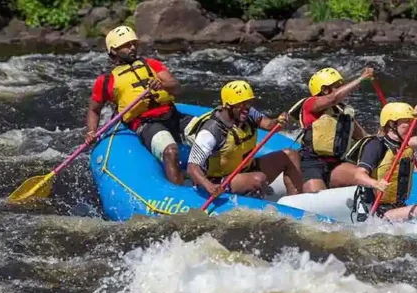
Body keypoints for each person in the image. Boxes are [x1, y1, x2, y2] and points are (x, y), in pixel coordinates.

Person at [85, 25, 191, 185]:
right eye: (127, 45)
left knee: (210, 134)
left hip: (172, 115)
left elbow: (176, 86)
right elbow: (94, 109)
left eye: (134, 43)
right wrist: (92, 131)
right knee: (170, 151)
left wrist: (162, 85)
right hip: (146, 124)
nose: (133, 47)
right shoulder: (106, 81)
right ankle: (182, 196)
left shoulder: (151, 64)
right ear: (113, 50)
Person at [185, 80, 303, 197]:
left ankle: (296, 202)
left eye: (248, 103)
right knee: (259, 179)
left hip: (246, 168)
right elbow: (192, 167)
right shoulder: (211, 130)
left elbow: (269, 125)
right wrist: (209, 186)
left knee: (290, 155)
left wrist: (278, 121)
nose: (246, 108)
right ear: (228, 105)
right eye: (241, 104)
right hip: (217, 180)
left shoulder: (249, 113)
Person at [348, 102, 417, 222]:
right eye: (406, 122)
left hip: (398, 206)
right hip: (377, 211)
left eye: (411, 121)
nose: (411, 125)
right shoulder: (376, 145)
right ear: (392, 124)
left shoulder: (405, 144)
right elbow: (358, 175)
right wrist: (375, 183)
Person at [289, 66, 373, 193]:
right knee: (317, 201)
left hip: (336, 164)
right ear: (324, 90)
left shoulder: (343, 112)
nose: (343, 88)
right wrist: (361, 79)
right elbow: (333, 98)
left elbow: (364, 137)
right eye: (337, 85)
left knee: (364, 177)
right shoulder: (310, 104)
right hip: (312, 163)